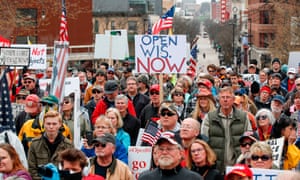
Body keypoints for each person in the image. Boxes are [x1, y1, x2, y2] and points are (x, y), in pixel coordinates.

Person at [201, 86, 252, 173]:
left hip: (237, 165)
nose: (225, 100)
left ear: (233, 100)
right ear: (219, 100)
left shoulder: (243, 117)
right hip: (216, 166)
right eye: (222, 97)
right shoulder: (210, 117)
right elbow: (204, 142)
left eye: (228, 97)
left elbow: (249, 139)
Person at [28, 110, 74, 179]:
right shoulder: (34, 144)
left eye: (54, 124)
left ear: (60, 124)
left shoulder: (68, 146)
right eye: (48, 124)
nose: (51, 127)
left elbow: (71, 169)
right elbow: (32, 169)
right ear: (44, 124)